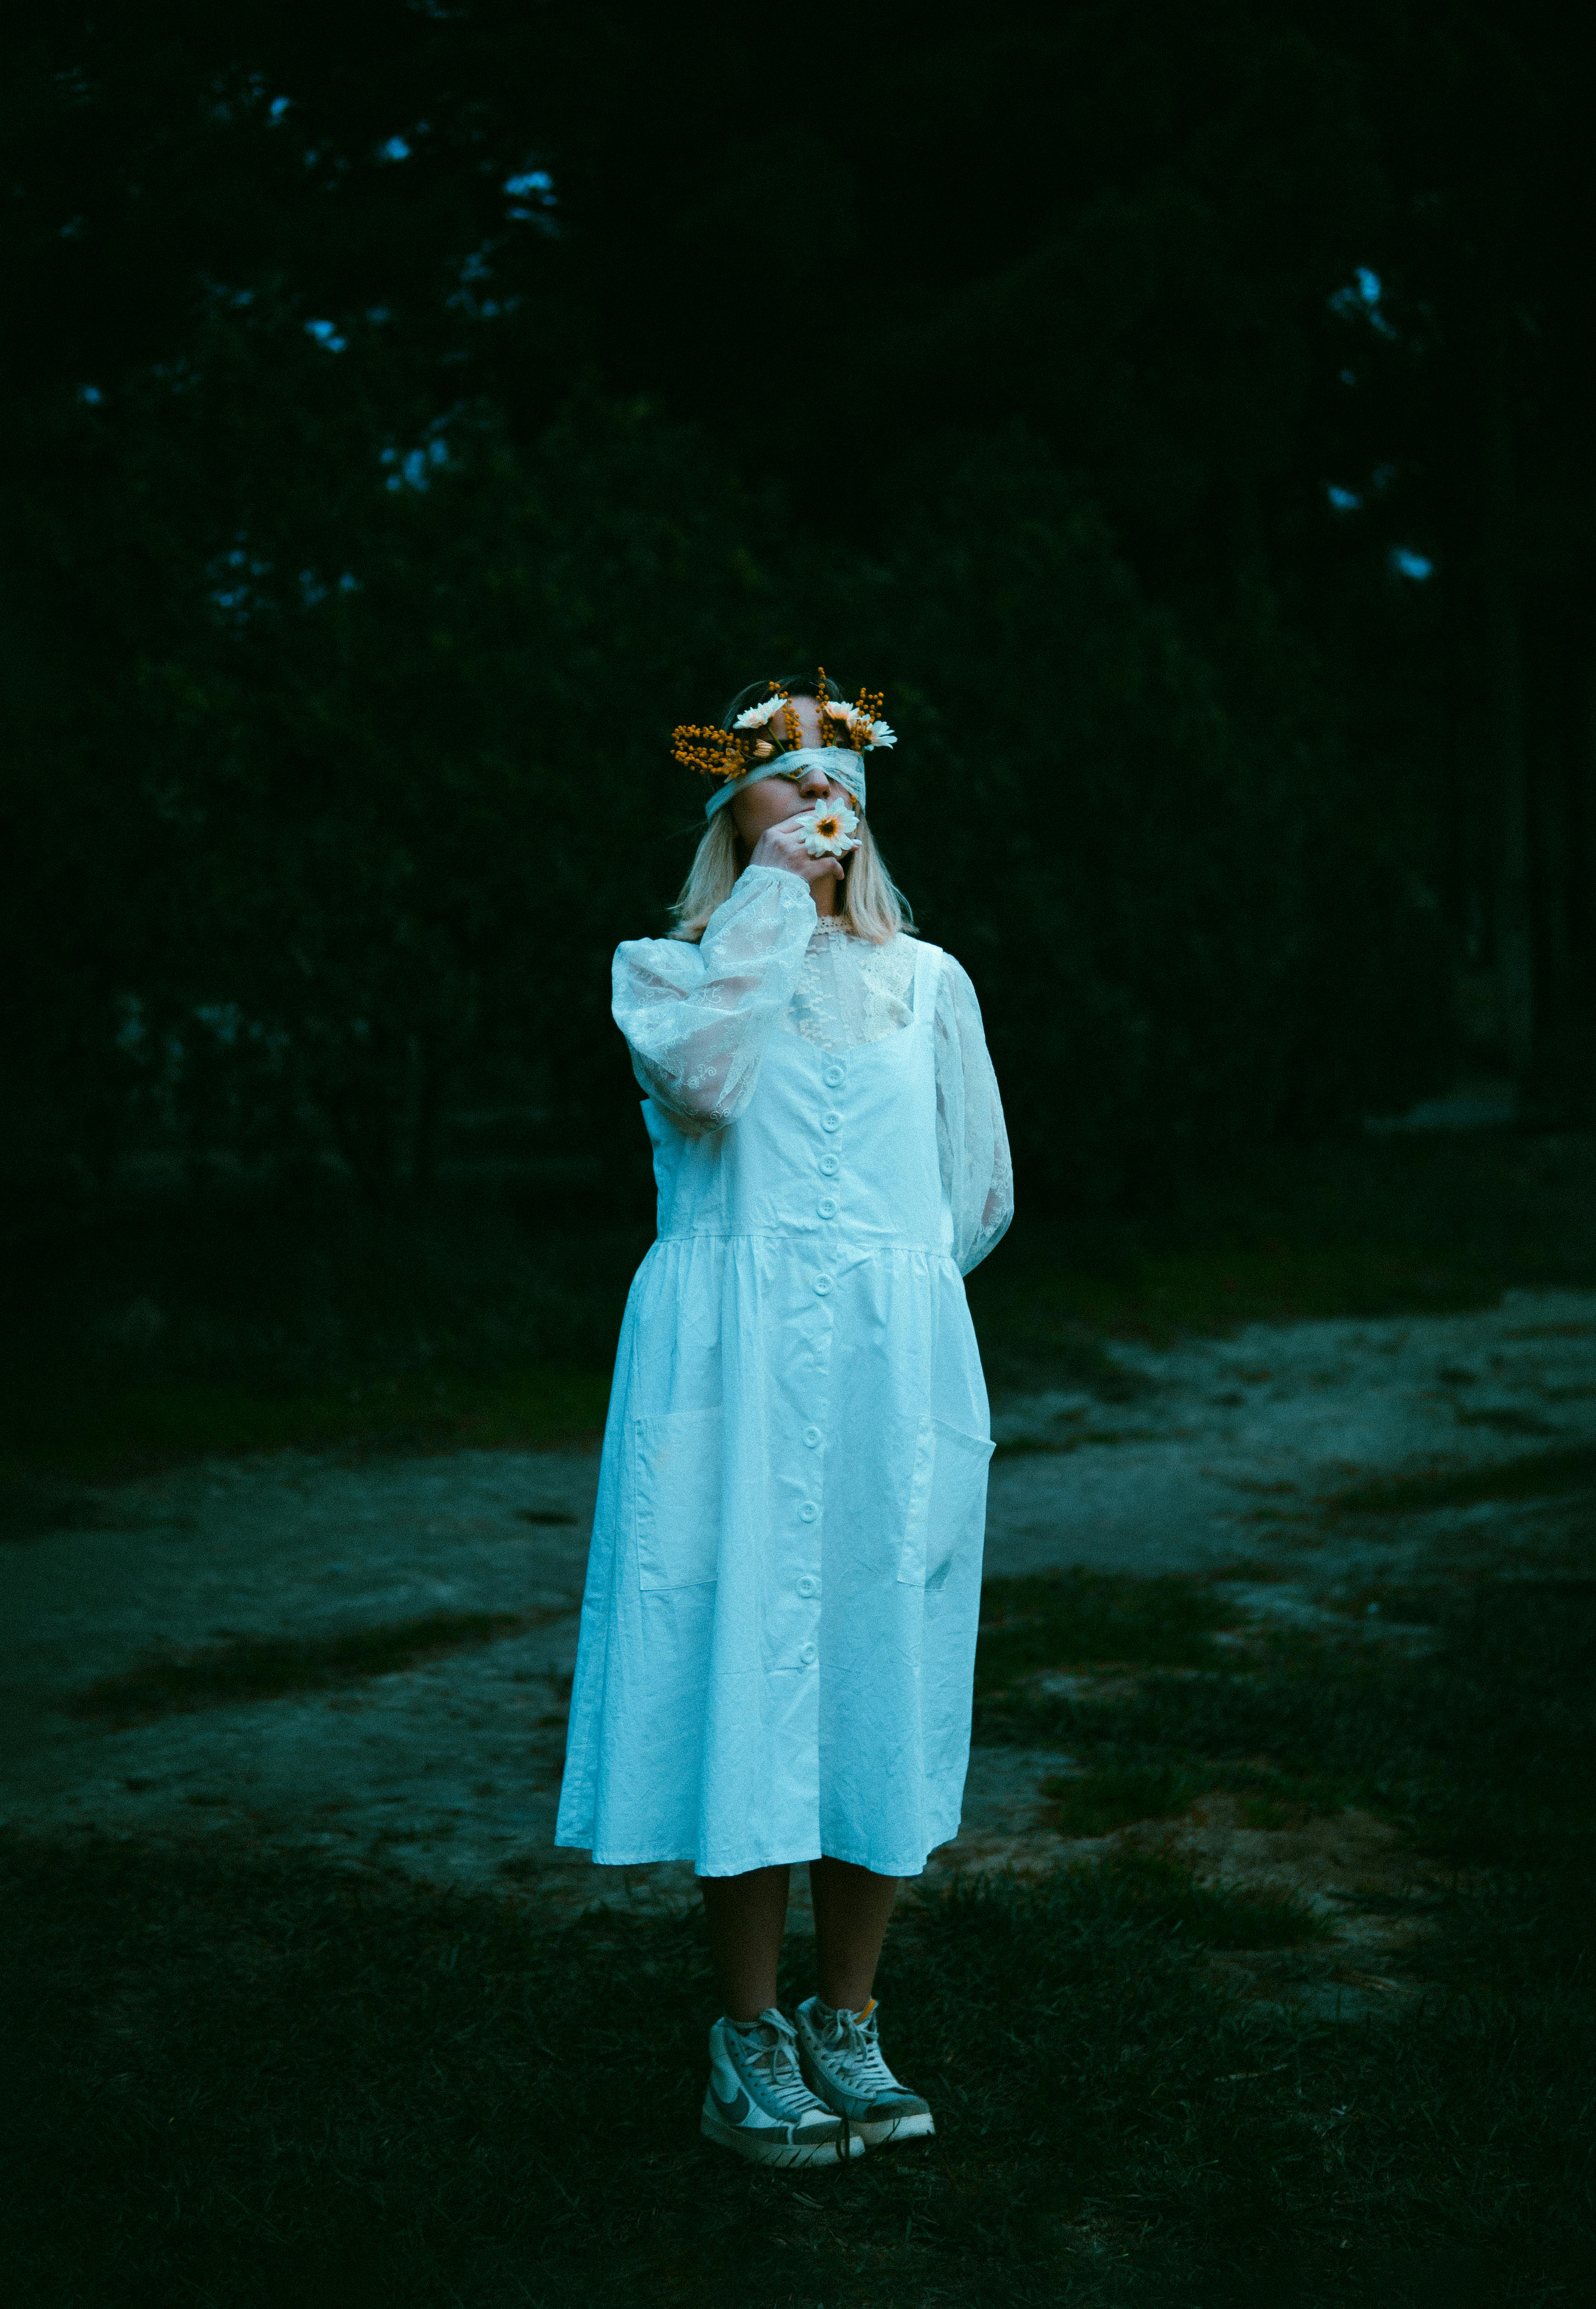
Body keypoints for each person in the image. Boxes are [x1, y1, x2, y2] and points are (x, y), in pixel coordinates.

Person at [555, 671, 1012, 2166]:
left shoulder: (927, 984)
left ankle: (851, 2018)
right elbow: (703, 1089)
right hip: (730, 1386)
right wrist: (762, 905)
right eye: (778, 787)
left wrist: (884, 1314)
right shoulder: (674, 972)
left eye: (838, 791)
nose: (818, 808)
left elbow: (970, 1192)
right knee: (742, 1676)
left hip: (884, 1376)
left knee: (879, 1673)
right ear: (728, 816)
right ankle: (744, 2034)